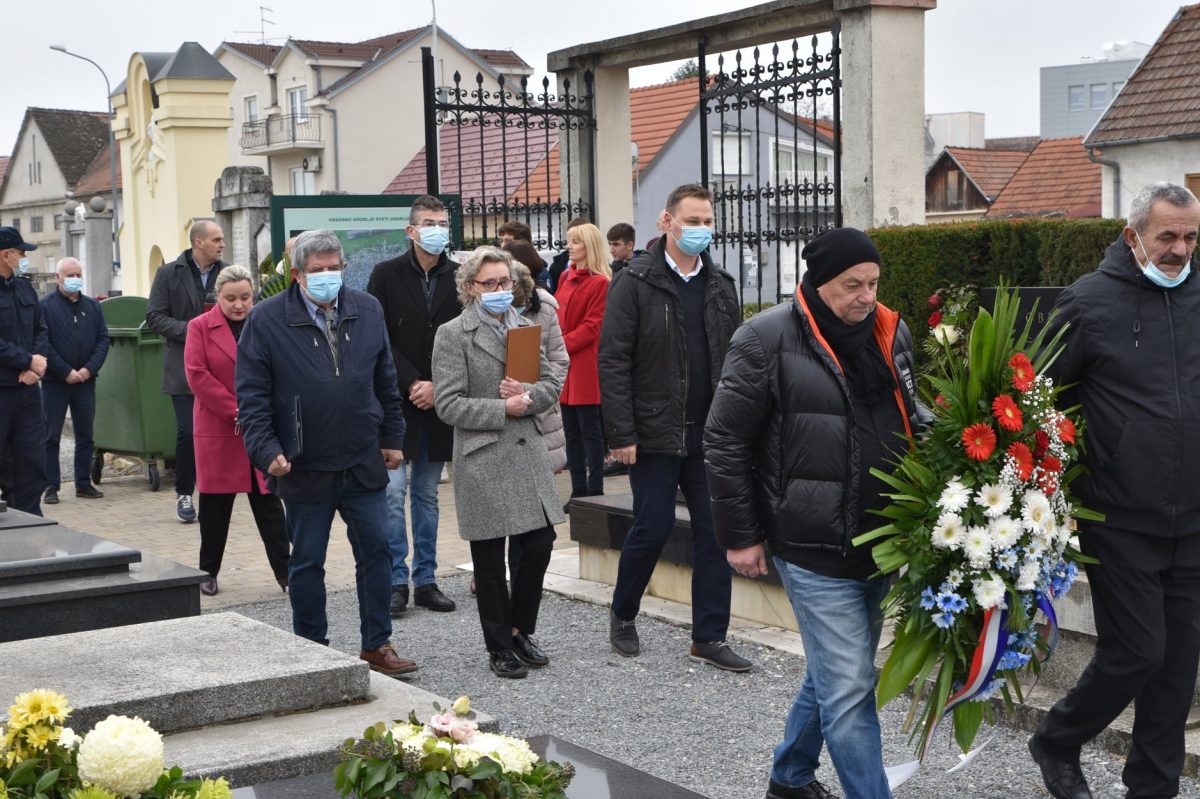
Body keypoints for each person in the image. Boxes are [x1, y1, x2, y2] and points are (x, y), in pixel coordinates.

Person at [706, 227, 926, 799]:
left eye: (873, 283)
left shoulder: (891, 330)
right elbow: (725, 440)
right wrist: (741, 536)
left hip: (884, 539)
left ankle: (789, 775)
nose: (866, 296)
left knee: (835, 674)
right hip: (811, 542)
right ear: (819, 283)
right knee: (851, 685)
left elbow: (911, 410)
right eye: (852, 285)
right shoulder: (764, 338)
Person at [1029, 182, 1200, 799]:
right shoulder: (1089, 302)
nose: (1180, 250)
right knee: (1138, 653)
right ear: (1134, 237)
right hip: (1119, 515)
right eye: (1167, 237)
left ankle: (1152, 789)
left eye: (1189, 237)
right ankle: (1058, 737)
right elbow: (1034, 397)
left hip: (1195, 520)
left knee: (1178, 668)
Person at [236, 229, 417, 677]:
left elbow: (385, 380)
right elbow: (252, 397)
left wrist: (393, 437)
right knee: (307, 561)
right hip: (302, 463)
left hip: (361, 459)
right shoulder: (266, 319)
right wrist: (266, 450)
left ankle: (377, 643)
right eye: (317, 271)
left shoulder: (367, 309)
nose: (327, 277)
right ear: (297, 275)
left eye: (334, 268)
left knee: (377, 553)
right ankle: (312, 649)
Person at [597, 183, 750, 671]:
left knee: (714, 533)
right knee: (653, 525)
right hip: (654, 433)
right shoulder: (635, 281)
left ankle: (709, 636)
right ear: (666, 222)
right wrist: (621, 433)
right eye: (692, 220)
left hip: (711, 436)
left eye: (708, 221)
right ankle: (623, 613)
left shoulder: (721, 284)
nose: (701, 229)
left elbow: (738, 360)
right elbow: (614, 359)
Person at [431, 246, 565, 679]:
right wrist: (500, 409)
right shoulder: (453, 334)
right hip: (484, 457)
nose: (498, 290)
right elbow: (448, 405)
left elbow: (549, 383)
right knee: (489, 562)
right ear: (470, 287)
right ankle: (498, 646)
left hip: (527, 453)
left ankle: (521, 629)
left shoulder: (524, 325)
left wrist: (529, 400)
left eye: (504, 282)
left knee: (538, 548)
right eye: (489, 283)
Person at [368, 194, 461, 617]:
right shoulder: (385, 275)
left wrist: (439, 385)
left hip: (441, 401)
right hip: (396, 400)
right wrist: (413, 382)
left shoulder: (461, 277)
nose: (436, 229)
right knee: (392, 494)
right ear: (411, 230)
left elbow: (467, 339)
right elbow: (379, 337)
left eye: (441, 222)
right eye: (428, 222)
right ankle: (394, 581)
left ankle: (426, 579)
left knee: (427, 494)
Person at [184, 264, 290, 597]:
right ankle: (208, 571)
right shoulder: (199, 327)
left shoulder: (264, 323)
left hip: (260, 428)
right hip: (220, 428)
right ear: (218, 296)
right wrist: (237, 410)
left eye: (245, 297)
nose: (239, 305)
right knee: (215, 510)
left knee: (270, 506)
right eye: (231, 298)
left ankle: (287, 575)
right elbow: (197, 375)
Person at [147, 220, 226, 523]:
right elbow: (154, 316)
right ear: (198, 242)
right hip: (182, 368)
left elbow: (245, 307)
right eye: (216, 239)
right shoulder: (168, 273)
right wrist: (193, 331)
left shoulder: (227, 272)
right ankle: (184, 492)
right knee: (188, 432)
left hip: (221, 368)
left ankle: (218, 488)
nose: (222, 244)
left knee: (221, 429)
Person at [40, 257, 109, 505]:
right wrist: (66, 371)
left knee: (85, 434)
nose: (74, 279)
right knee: (51, 435)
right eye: (69, 275)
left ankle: (83, 483)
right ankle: (51, 486)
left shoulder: (92, 306)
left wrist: (89, 369)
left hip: (85, 381)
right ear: (58, 278)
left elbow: (103, 339)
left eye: (77, 274)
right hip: (55, 382)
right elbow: (43, 343)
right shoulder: (45, 307)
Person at [556, 222, 610, 509]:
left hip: (585, 364)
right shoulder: (566, 276)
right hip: (566, 363)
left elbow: (593, 326)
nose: (570, 246)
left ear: (588, 246)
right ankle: (578, 490)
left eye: (575, 242)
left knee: (590, 430)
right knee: (571, 432)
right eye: (569, 241)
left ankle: (595, 489)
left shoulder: (600, 282)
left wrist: (559, 343)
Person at [505, 241, 569, 473]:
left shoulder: (545, 309)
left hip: (542, 413)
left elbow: (559, 360)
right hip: (502, 416)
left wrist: (537, 399)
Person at [0, 227, 48, 515]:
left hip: (28, 390)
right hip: (2, 389)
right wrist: (26, 361)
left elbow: (40, 328)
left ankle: (30, 520)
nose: (24, 257)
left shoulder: (25, 288)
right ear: (6, 255)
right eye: (21, 252)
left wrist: (36, 366)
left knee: (31, 460)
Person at [547, 217, 588, 293]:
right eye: (568, 241)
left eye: (575, 241)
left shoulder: (601, 278)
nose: (568, 246)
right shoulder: (558, 268)